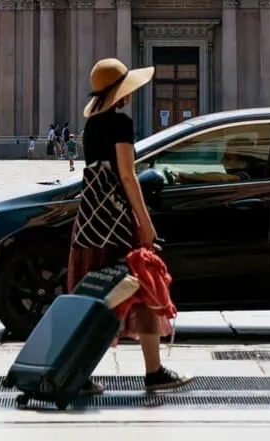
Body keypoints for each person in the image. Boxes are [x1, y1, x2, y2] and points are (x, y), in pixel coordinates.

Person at [68, 57, 190, 394]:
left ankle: (77, 371)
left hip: (90, 221)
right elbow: (126, 175)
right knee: (143, 285)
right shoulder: (120, 123)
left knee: (97, 298)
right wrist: (145, 223)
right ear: (121, 91)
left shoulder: (92, 124)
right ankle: (153, 371)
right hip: (116, 220)